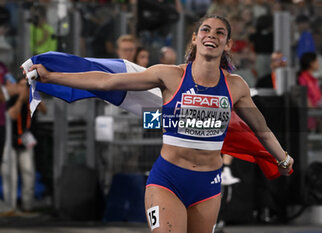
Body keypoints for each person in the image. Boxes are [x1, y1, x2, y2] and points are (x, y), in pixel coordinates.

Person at [25, 15, 293, 233]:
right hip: (168, 179)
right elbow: (105, 82)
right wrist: (52, 77)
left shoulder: (236, 86)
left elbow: (261, 130)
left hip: (208, 184)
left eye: (220, 32)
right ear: (195, 37)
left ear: (229, 44)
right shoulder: (169, 76)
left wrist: (282, 160)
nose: (212, 35)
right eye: (205, 29)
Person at [6, 78, 46, 212]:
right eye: (22, 86)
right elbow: (11, 115)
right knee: (10, 175)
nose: (24, 89)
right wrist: (20, 99)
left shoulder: (32, 99)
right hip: (10, 142)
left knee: (29, 173)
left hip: (26, 141)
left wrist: (34, 95)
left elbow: (44, 110)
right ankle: (10, 206)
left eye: (27, 86)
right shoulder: (10, 99)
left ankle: (27, 206)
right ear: (17, 86)